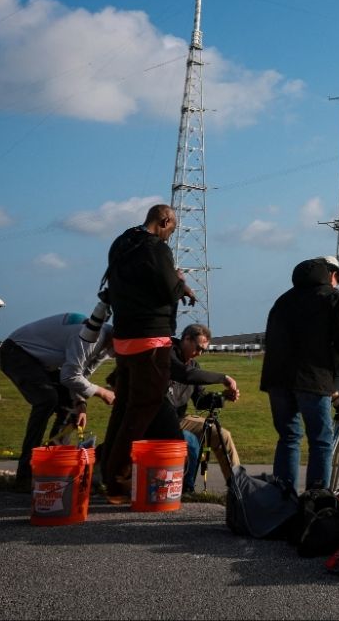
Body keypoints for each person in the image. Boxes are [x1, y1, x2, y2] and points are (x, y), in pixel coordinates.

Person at [100, 204, 197, 500]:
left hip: (124, 336)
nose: (170, 236)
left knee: (124, 408)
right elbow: (168, 289)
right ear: (164, 220)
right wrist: (181, 282)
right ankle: (117, 480)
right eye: (171, 229)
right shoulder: (156, 248)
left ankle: (106, 471)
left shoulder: (122, 242)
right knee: (142, 411)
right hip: (150, 340)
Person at [260, 256, 339, 491]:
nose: (337, 283)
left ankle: (283, 496)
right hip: (312, 377)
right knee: (320, 441)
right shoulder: (332, 297)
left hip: (276, 378)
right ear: (330, 274)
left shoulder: (283, 300)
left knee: (289, 438)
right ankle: (316, 499)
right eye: (337, 278)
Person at [0, 313, 118, 490]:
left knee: (71, 409)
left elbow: (81, 375)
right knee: (47, 399)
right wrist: (103, 393)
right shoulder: (92, 337)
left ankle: (52, 466)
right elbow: (70, 376)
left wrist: (80, 403)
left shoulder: (105, 345)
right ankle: (25, 475)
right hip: (16, 352)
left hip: (41, 361)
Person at [165, 324, 241, 491]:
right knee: (190, 441)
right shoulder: (167, 353)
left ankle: (238, 487)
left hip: (178, 418)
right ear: (186, 339)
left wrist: (223, 397)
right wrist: (223, 378)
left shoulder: (194, 366)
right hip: (158, 419)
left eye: (204, 350)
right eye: (198, 348)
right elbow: (186, 375)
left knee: (222, 435)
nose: (200, 353)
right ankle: (186, 489)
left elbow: (200, 401)